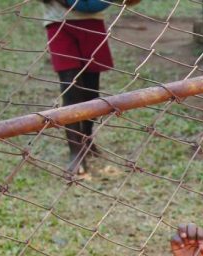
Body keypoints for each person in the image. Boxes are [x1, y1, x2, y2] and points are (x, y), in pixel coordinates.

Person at [40, 0, 137, 177]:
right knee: (70, 86)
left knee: (91, 90)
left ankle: (86, 136)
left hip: (92, 22)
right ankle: (75, 150)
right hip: (58, 22)